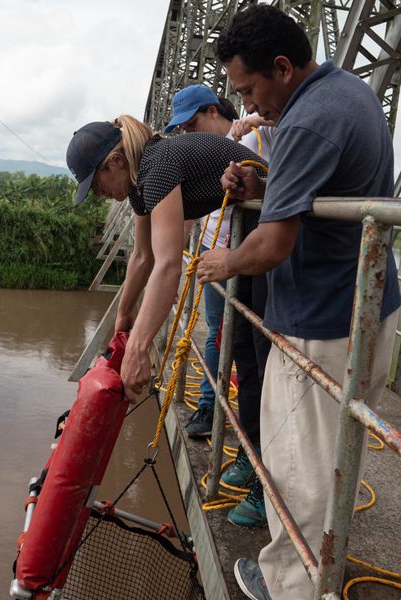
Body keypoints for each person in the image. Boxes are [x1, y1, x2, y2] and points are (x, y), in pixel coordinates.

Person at [196, 5, 401, 600]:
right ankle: (317, 571)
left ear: (283, 67)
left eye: (251, 89)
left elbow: (272, 244)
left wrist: (222, 263)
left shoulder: (308, 121)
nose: (251, 106)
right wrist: (264, 186)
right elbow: (318, 196)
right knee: (333, 459)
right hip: (364, 305)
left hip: (321, 320)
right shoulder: (345, 93)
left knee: (299, 469)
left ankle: (291, 587)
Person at [65, 115, 267, 413]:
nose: (98, 193)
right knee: (243, 347)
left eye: (95, 183)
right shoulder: (141, 181)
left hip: (271, 236)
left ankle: (257, 454)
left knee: (257, 353)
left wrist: (138, 348)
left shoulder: (158, 166)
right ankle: (253, 451)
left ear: (116, 162)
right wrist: (124, 314)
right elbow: (143, 256)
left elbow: (168, 263)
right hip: (252, 239)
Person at [164, 84, 275, 528]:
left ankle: (251, 455)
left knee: (252, 358)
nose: (189, 135)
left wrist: (250, 127)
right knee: (237, 353)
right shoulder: (227, 144)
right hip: (219, 257)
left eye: (193, 125)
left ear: (213, 111)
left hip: (248, 265)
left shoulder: (255, 136)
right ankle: (248, 451)